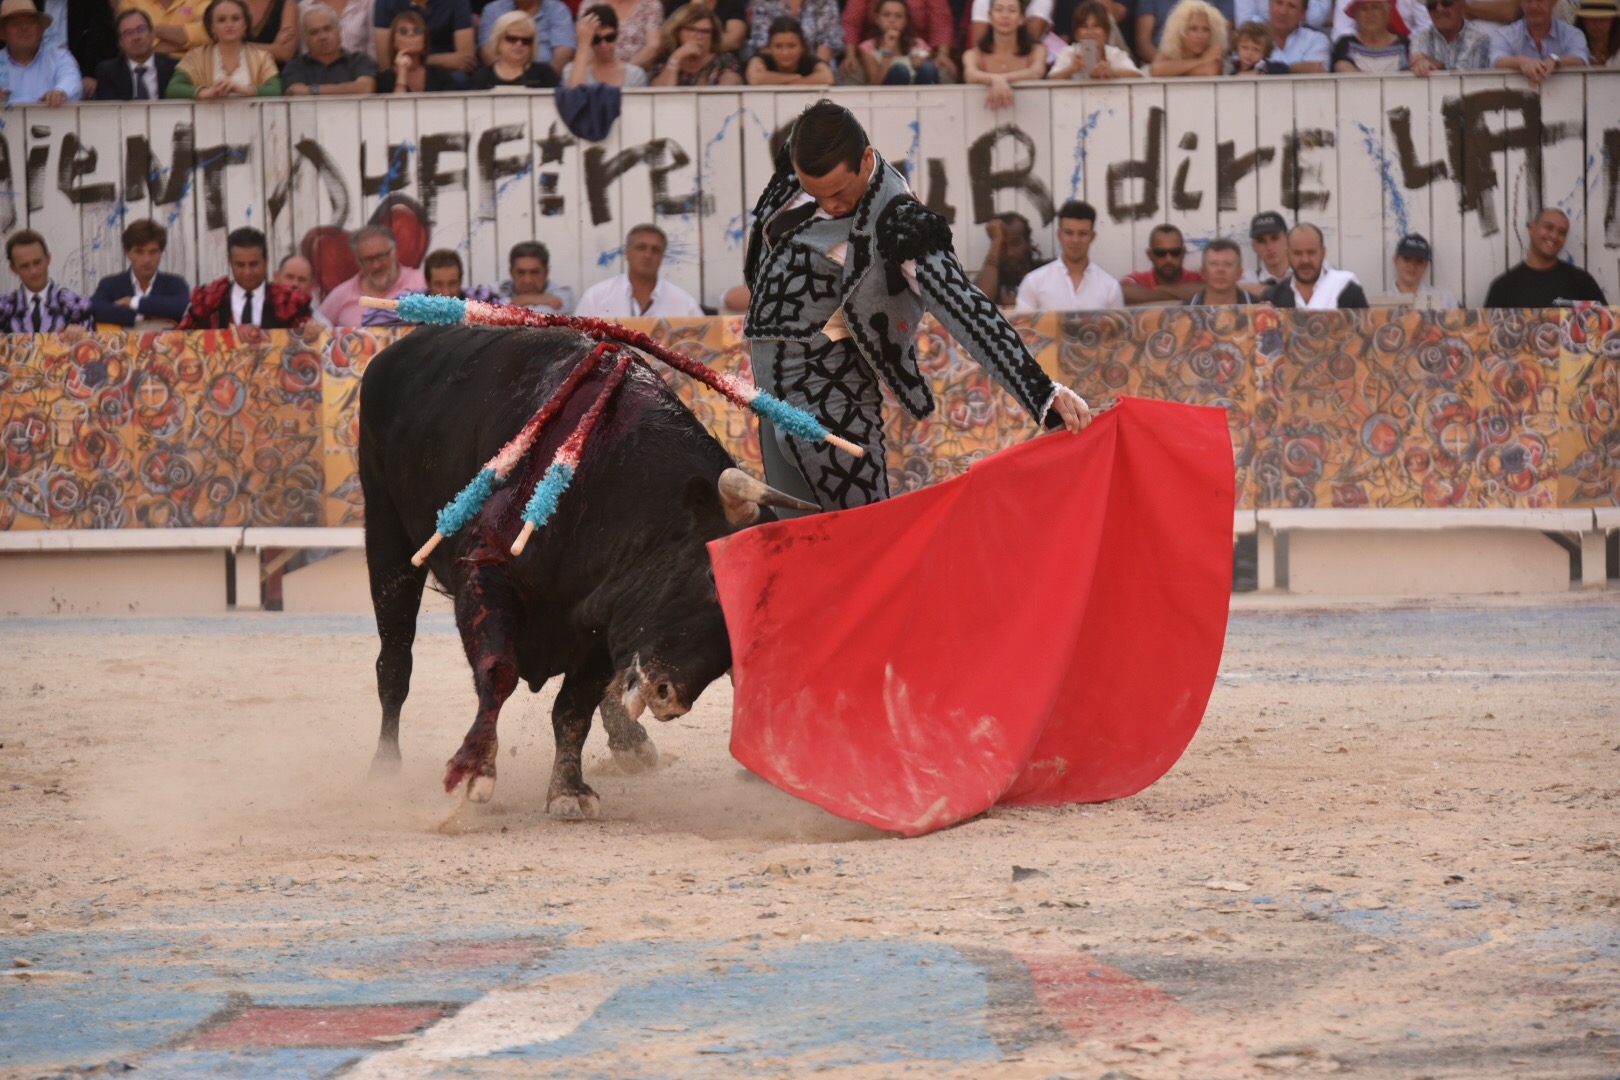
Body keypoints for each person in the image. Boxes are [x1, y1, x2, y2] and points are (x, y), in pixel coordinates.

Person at [743, 102, 1090, 514]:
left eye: (838, 193)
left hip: (831, 400)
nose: (829, 205)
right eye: (816, 193)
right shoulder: (798, 165)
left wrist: (1041, 392)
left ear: (867, 159)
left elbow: (964, 306)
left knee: (866, 540)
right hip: (768, 395)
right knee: (793, 543)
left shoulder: (900, 221)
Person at [179, 228, 315, 329]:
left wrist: (312, 330)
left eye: (254, 264)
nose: (247, 272)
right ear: (230, 262)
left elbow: (309, 341)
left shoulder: (288, 301)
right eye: (240, 265)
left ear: (266, 261)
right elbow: (182, 339)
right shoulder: (209, 302)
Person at [1483, 208, 1607, 308]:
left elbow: (1607, 331)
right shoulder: (1503, 287)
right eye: (1548, 227)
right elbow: (1489, 336)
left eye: (1562, 232)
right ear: (1532, 229)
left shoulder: (1583, 282)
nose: (1554, 236)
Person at [1015, 201, 1125, 310]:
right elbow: (1021, 326)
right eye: (1068, 233)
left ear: (1092, 236)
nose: (1075, 240)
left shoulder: (1110, 287)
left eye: (1083, 233)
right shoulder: (1034, 282)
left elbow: (1116, 327)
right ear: (1059, 235)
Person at [575, 224, 703, 318]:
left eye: (656, 250)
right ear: (627, 253)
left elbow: (705, 349)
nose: (648, 255)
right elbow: (574, 346)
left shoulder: (684, 303)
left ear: (662, 257)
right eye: (641, 248)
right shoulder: (596, 297)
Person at [166, 0, 282, 97]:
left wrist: (243, 89)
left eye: (235, 18)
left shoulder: (262, 57)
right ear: (212, 27)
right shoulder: (196, 56)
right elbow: (173, 89)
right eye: (222, 20)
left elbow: (276, 90)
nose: (229, 24)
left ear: (245, 25)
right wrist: (205, 92)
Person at [90, 219, 191, 328]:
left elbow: (180, 306)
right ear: (128, 253)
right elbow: (95, 308)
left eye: (153, 252)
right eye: (139, 252)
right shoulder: (110, 284)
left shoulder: (175, 283)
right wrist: (143, 317)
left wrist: (132, 302)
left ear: (161, 252)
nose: (147, 259)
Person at [319, 225, 427, 326]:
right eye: (368, 260)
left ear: (394, 252)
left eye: (380, 256)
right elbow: (316, 331)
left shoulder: (422, 283)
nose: (376, 265)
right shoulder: (341, 296)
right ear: (358, 261)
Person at [841, 0, 958, 82]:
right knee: (852, 69)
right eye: (886, 15)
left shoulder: (918, 44)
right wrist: (850, 55)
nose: (892, 20)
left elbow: (941, 21)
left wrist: (940, 54)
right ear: (877, 18)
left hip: (916, 43)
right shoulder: (866, 48)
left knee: (939, 70)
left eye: (898, 16)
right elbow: (852, 21)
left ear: (906, 20)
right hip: (874, 50)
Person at [0, 231, 93, 332]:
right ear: (13, 269)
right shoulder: (3, 308)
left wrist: (81, 338)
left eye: (37, 262)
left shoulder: (77, 304)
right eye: (25, 266)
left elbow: (93, 345)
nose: (33, 271)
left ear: (48, 259)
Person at [963, 0, 1048, 111]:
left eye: (1012, 10)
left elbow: (1036, 71)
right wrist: (996, 80)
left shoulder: (1038, 50)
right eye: (999, 10)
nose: (1005, 16)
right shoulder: (973, 54)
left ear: (1021, 19)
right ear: (990, 17)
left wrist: (1001, 79)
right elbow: (970, 74)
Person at [1262, 224, 1369, 309]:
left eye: (1311, 252)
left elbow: (1366, 333)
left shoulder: (1346, 289)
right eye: (1298, 253)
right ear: (1288, 255)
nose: (1305, 260)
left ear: (1323, 253)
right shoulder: (1273, 297)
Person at [282, 2, 380, 94]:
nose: (322, 37)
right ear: (305, 38)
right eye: (314, 32)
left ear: (339, 31)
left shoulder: (360, 61)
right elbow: (296, 93)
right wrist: (349, 88)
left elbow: (365, 88)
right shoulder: (295, 66)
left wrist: (313, 90)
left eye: (327, 29)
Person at [0, 0, 84, 105]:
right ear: (3, 32)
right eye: (16, 23)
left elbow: (72, 81)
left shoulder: (60, 57)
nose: (24, 27)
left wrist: (60, 92)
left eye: (30, 21)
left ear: (40, 29)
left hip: (52, 121)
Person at [1491, 0, 1589, 81]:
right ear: (1520, 3)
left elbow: (1581, 59)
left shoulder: (1573, 34)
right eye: (1528, 1)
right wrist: (1521, 62)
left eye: (1540, 0)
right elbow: (1496, 61)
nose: (1534, 6)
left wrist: (1555, 61)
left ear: (1554, 2)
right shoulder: (1504, 34)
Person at [373, 0, 475, 79]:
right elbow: (385, 64)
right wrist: (439, 60)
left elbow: (466, 60)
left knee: (460, 78)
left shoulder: (457, 2)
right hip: (401, 70)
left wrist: (412, 59)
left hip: (447, 73)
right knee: (387, 79)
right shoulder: (386, 2)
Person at [93, 9, 178, 100]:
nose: (136, 37)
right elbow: (109, 111)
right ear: (120, 42)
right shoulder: (108, 72)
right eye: (128, 33)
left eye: (141, 29)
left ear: (152, 34)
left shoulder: (174, 68)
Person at [649, 2, 741, 84]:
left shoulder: (724, 61)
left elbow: (727, 92)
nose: (699, 36)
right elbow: (662, 97)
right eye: (692, 30)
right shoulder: (664, 60)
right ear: (677, 32)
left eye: (705, 32)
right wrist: (676, 58)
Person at [1048, 2, 1144, 79]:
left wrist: (1111, 71)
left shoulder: (1114, 54)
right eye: (1084, 27)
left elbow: (1137, 74)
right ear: (1076, 34)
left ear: (1106, 32)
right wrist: (1071, 69)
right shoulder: (1068, 53)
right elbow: (1051, 77)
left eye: (1096, 26)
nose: (1090, 32)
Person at [477, 0, 574, 74]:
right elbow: (487, 50)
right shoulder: (493, 9)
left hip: (546, 81)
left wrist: (542, 78)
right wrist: (505, 77)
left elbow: (564, 53)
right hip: (501, 81)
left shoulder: (558, 9)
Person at [561, 4, 649, 84]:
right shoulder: (571, 70)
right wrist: (583, 45)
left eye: (609, 38)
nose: (604, 45)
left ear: (617, 34)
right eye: (596, 40)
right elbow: (574, 97)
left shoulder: (635, 74)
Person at [472, 8, 562, 85]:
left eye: (526, 40)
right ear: (498, 40)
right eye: (512, 39)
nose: (519, 44)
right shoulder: (482, 77)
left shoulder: (544, 74)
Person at [975, 212, 1046, 307]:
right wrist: (996, 241)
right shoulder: (992, 277)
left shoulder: (1046, 272)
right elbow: (979, 304)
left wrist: (1005, 299)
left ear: (1028, 243)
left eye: (1015, 243)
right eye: (1002, 246)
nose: (1010, 253)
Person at [375, 8, 457, 89]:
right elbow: (398, 103)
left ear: (425, 41)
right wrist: (402, 74)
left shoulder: (441, 75)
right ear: (394, 42)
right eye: (403, 31)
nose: (411, 34)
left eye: (417, 30)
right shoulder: (384, 79)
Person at [1122, 224, 1205, 305]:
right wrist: (1182, 293)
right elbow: (1122, 291)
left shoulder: (1197, 278)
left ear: (1183, 253)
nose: (1168, 259)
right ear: (1150, 255)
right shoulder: (1138, 279)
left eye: (1175, 252)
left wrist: (1155, 291)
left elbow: (1210, 289)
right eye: (1160, 253)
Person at [745, 0, 842, 64]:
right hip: (773, 71)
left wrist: (810, 75)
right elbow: (763, 47)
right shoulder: (764, 2)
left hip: (817, 71)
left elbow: (826, 46)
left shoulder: (825, 1)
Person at [745, 15, 835, 83]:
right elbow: (754, 79)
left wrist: (786, 84)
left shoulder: (809, 61)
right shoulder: (761, 59)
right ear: (769, 47)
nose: (785, 53)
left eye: (792, 46)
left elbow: (827, 77)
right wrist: (794, 78)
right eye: (778, 46)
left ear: (802, 47)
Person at [1409, 0, 1492, 72]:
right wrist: (1420, 65)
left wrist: (1439, 67)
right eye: (1432, 4)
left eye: (1446, 2)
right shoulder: (1419, 39)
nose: (1439, 9)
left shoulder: (1480, 39)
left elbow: (1470, 81)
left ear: (1462, 5)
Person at [1149, 0, 1228, 75]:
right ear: (1179, 30)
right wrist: (1202, 61)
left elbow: (1209, 72)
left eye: (1206, 29)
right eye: (1193, 29)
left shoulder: (1213, 50)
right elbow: (1156, 70)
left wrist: (1173, 70)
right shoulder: (1172, 49)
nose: (1200, 36)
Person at [1252, 0, 1330, 72]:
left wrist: (1266, 69)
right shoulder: (1251, 38)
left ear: (1303, 14)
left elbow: (1318, 74)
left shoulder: (1315, 40)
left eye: (1292, 6)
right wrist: (1299, 68)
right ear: (1270, 5)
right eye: (1278, 3)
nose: (1283, 11)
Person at [1387, 233, 1459, 309]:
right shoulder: (1378, 303)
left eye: (1419, 261)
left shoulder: (1445, 298)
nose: (1412, 265)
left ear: (1426, 265)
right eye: (1407, 259)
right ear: (1395, 260)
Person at [1331, 0, 1410, 69]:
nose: (1369, 14)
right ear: (1356, 15)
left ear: (1387, 13)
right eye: (1363, 9)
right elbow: (1342, 67)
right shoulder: (1345, 44)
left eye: (1375, 7)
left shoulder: (1404, 45)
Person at [500, 240, 574, 312]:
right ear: (511, 272)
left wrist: (517, 301)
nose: (527, 280)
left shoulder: (563, 294)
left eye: (534, 272)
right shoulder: (497, 290)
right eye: (521, 272)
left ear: (546, 272)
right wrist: (540, 299)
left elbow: (539, 316)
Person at [119, 0, 212, 57]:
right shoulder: (131, 1)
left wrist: (154, 29)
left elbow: (207, 32)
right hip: (151, 72)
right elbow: (132, 40)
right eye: (142, 28)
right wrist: (191, 42)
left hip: (192, 69)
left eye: (142, 28)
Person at [593, 0, 665, 68]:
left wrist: (626, 72)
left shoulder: (650, 4)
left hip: (636, 72)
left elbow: (653, 46)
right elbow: (585, 42)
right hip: (596, 70)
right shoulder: (593, 2)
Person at [1184, 239, 1247, 305]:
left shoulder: (1257, 307)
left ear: (1239, 273)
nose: (1220, 270)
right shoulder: (1185, 311)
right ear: (1203, 272)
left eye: (1228, 264)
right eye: (1214, 264)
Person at [423, 248, 501, 301]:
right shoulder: (413, 304)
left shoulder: (483, 298)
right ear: (427, 283)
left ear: (461, 280)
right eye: (439, 284)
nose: (446, 293)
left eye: (452, 283)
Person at [1243, 210, 1291, 293]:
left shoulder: (1307, 276)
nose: (1269, 247)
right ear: (1254, 246)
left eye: (1275, 238)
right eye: (1261, 241)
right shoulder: (1248, 282)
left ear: (1287, 239)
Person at [1575, 0, 1619, 64]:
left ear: (1612, 20)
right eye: (1592, 18)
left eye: (1603, 19)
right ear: (1583, 20)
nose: (1598, 24)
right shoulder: (1570, 47)